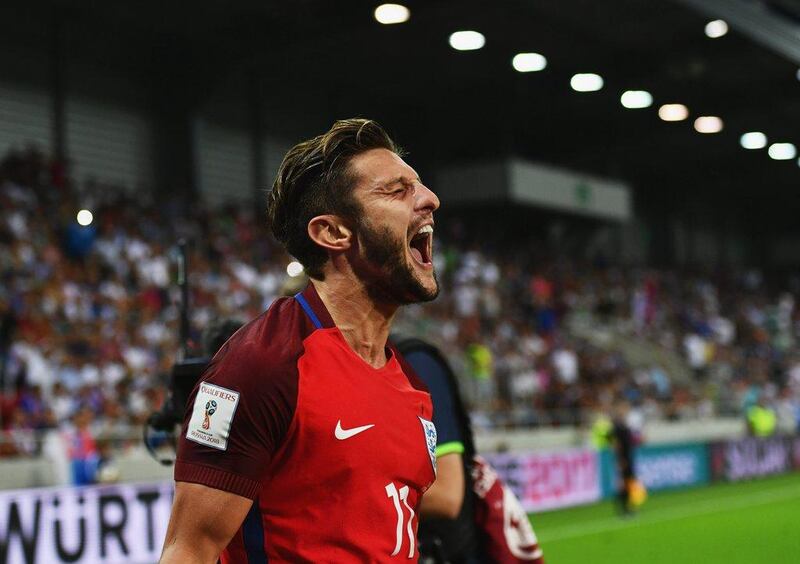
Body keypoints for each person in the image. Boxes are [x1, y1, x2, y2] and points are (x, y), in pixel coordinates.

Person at [160, 118, 442, 563]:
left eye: (419, 186)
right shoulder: (263, 366)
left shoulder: (410, 383)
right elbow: (189, 550)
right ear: (333, 233)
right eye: (396, 190)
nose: (430, 199)